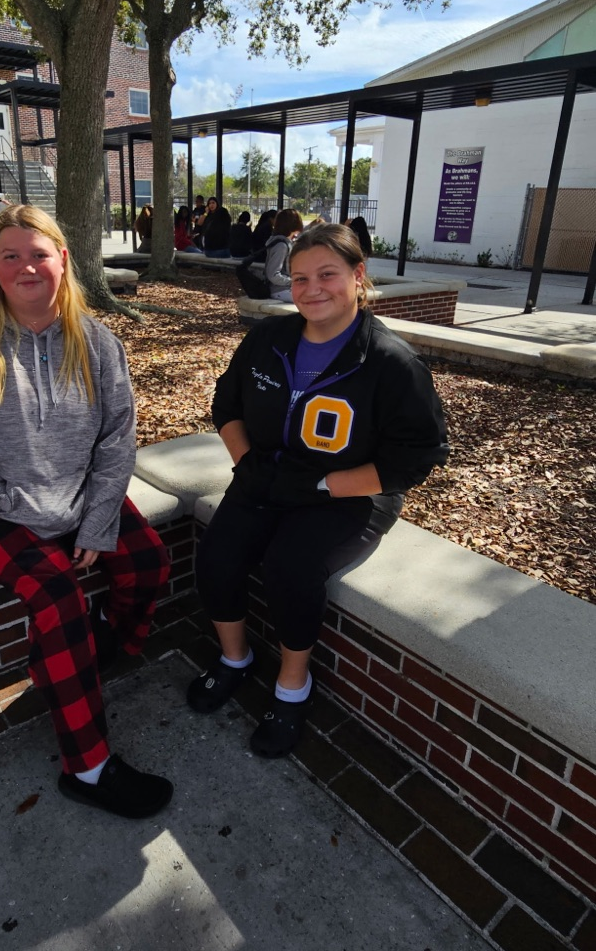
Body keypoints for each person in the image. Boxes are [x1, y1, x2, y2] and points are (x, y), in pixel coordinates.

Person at [0, 204, 174, 818]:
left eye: (39, 253)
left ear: (64, 258)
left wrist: (98, 516)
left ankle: (102, 642)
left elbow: (118, 438)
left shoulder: (98, 341)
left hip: (80, 493)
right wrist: (14, 504)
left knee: (147, 562)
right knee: (58, 601)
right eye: (11, 255)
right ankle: (85, 767)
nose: (26, 266)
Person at [187, 222, 448, 758]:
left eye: (327, 275)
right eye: (299, 277)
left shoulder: (391, 362)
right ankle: (236, 659)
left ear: (357, 276)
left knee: (291, 567)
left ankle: (292, 686)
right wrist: (247, 464)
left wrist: (326, 482)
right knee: (218, 553)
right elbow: (227, 405)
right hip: (268, 477)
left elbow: (417, 457)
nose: (311, 289)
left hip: (351, 493)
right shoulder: (268, 338)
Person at [264, 208, 304, 301]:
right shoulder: (281, 246)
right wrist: (293, 281)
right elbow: (273, 274)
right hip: (280, 290)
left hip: (283, 289)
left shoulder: (280, 242)